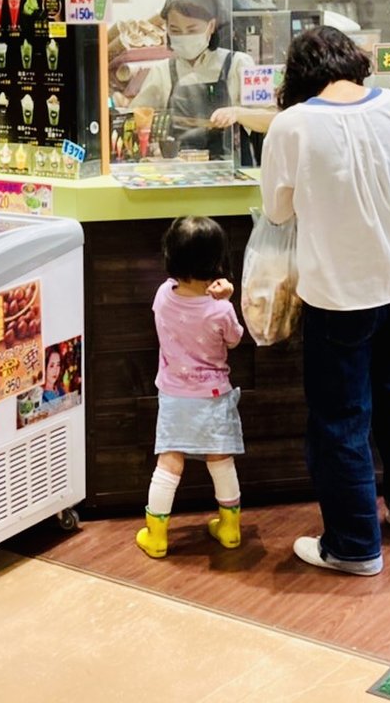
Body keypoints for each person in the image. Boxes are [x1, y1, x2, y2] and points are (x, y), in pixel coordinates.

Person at [260, 26, 390, 576]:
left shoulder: (292, 125)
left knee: (340, 417)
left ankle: (354, 545)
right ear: (354, 63)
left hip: (338, 293)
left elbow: (278, 214)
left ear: (298, 76)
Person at [135, 216, 246, 559]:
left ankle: (156, 535)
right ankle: (230, 528)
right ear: (218, 262)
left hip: (174, 396)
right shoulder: (220, 309)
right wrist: (226, 297)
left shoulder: (162, 296)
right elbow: (235, 340)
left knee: (169, 462)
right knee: (221, 459)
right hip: (213, 396)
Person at [130, 0, 263, 158]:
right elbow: (136, 120)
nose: (184, 36)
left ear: (211, 26)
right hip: (179, 173)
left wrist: (237, 113)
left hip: (229, 169)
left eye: (192, 30)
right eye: (175, 30)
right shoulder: (162, 71)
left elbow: (269, 118)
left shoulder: (239, 64)